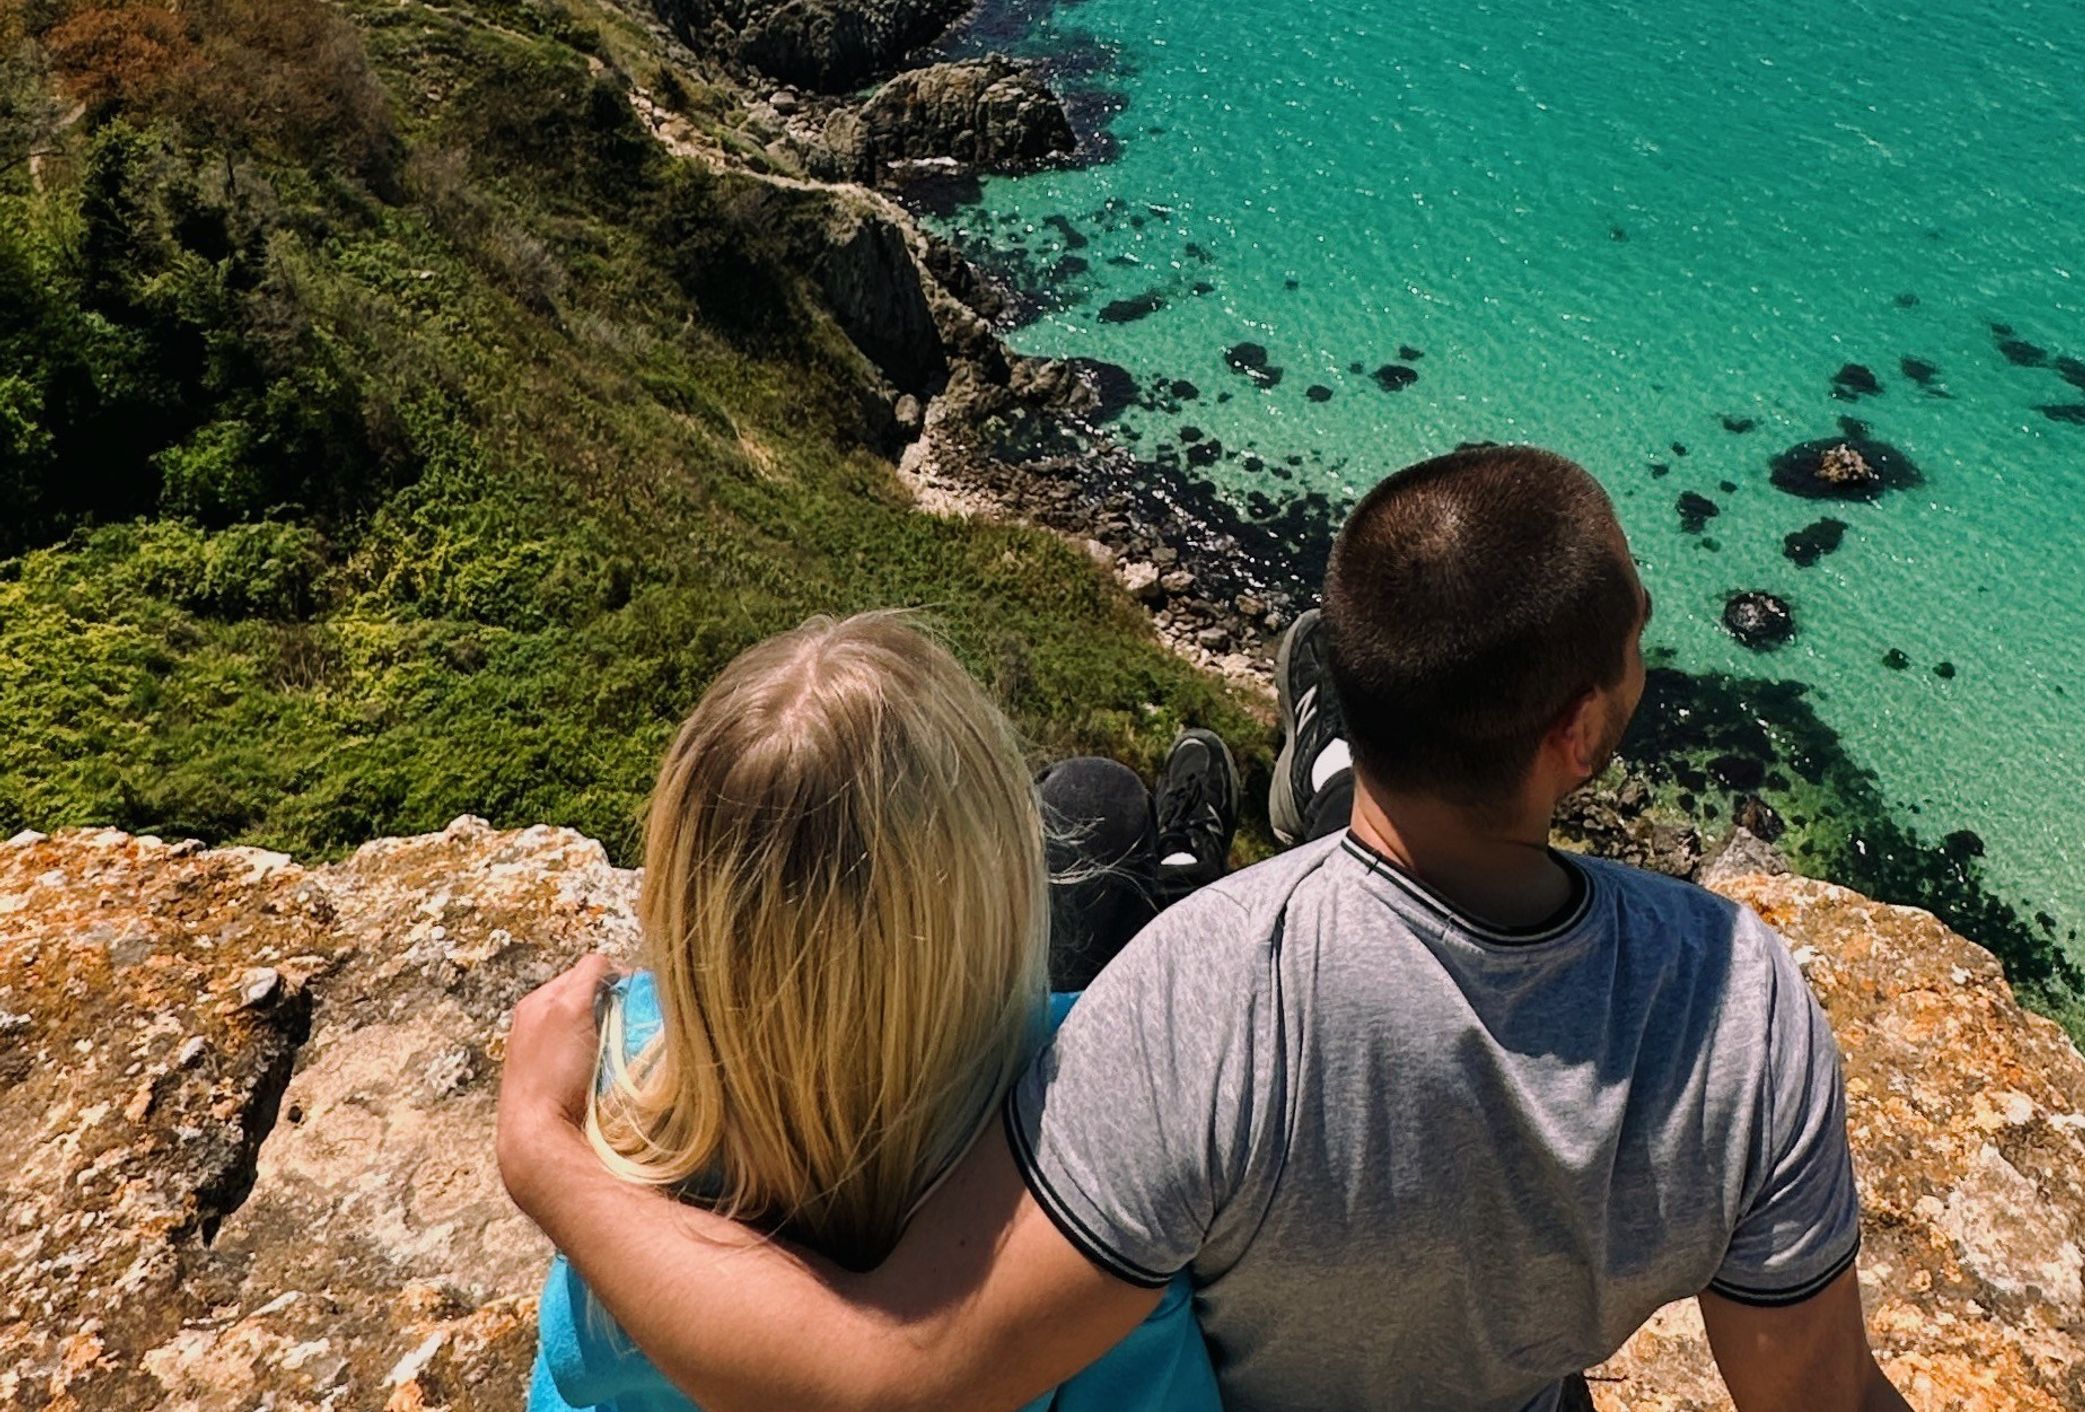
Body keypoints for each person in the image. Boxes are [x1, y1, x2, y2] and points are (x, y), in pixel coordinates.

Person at [502, 446, 1914, 1412]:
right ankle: (1294, 803)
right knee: (1109, 851)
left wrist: (555, 1160)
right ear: (1584, 729)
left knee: (1107, 846)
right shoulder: (1744, 1007)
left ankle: (1296, 803)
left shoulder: (1189, 1000)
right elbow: (1823, 1395)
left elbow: (900, 1370)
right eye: (1640, 642)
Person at [522, 611, 1236, 1412]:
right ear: (1004, 885)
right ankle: (1196, 871)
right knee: (1103, 806)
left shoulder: (621, 1158)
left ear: (685, 907)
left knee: (1096, 807)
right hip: (1012, 1081)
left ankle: (1182, 873)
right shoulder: (1085, 1155)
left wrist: (542, 1136)